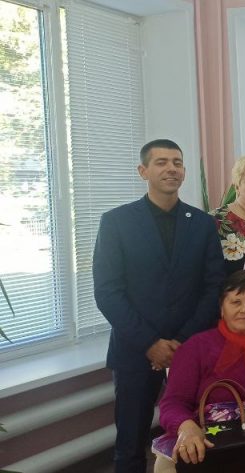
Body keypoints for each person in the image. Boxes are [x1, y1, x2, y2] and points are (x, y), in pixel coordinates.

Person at [93, 139, 224, 473]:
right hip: (135, 350)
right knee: (130, 443)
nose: (171, 169)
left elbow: (213, 287)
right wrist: (151, 343)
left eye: (177, 162)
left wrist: (182, 341)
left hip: (192, 348)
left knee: (202, 436)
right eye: (161, 162)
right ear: (143, 171)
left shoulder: (203, 223)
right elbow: (108, 292)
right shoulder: (116, 222)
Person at [154, 270, 245, 473]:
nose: (244, 310)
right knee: (166, 468)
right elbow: (172, 403)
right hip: (203, 435)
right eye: (235, 302)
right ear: (222, 308)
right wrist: (186, 427)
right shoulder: (195, 347)